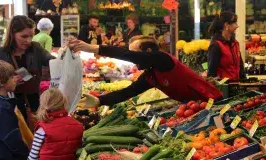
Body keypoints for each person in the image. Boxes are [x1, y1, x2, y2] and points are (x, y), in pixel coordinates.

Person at [69, 36, 223, 108]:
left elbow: (127, 55)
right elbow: (128, 92)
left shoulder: (163, 60)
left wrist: (93, 48)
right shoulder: (150, 75)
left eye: (136, 53)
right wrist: (99, 101)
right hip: (194, 106)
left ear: (148, 52)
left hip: (211, 101)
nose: (134, 59)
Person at [0, 15, 55, 120]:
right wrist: (6, 82)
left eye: (31, 36)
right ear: (12, 34)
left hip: (34, 107)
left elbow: (53, 62)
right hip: (8, 109)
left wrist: (67, 53)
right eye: (24, 36)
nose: (28, 40)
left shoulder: (36, 48)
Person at [207, 11, 245, 80]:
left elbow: (241, 68)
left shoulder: (235, 43)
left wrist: (245, 83)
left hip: (237, 86)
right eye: (234, 23)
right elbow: (211, 74)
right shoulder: (216, 46)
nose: (237, 26)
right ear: (226, 25)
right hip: (224, 88)